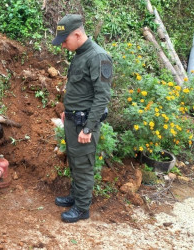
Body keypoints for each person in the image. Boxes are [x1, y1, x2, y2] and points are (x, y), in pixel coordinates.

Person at [51, 14, 112, 223]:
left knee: (84, 166)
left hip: (85, 124)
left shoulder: (98, 57)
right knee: (75, 163)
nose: (63, 45)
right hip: (72, 120)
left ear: (77, 34)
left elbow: (102, 96)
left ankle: (82, 208)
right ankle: (76, 197)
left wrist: (88, 128)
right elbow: (80, 90)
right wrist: (67, 112)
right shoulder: (79, 53)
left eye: (65, 40)